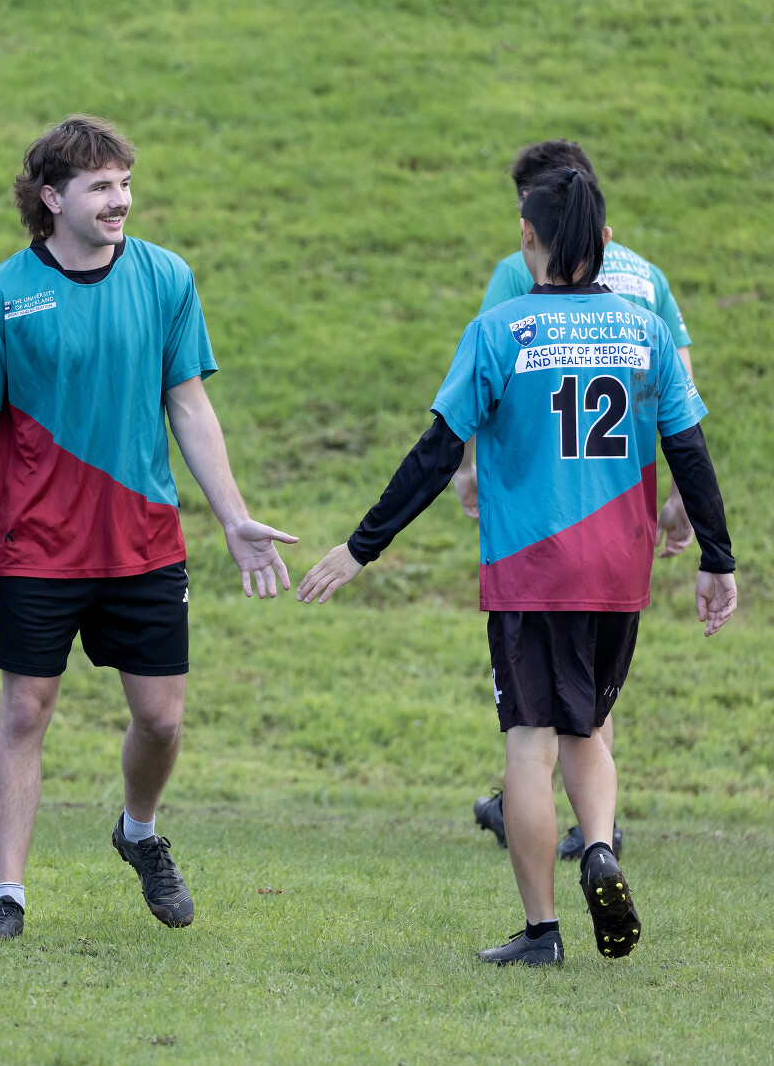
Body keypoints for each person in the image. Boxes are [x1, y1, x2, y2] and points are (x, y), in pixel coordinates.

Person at [297, 167, 736, 966]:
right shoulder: (646, 331)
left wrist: (361, 546)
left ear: (527, 236)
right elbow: (690, 449)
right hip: (620, 571)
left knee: (530, 740)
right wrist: (717, 555)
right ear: (605, 239)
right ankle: (598, 846)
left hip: (534, 569)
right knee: (587, 725)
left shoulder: (501, 331)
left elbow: (437, 453)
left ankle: (542, 931)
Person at [0, 116, 295, 942]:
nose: (119, 199)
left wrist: (234, 516)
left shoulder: (167, 277)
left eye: (125, 183)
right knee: (25, 711)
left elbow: (189, 405)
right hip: (35, 546)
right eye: (100, 185)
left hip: (143, 541)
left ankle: (138, 831)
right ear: (51, 197)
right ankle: (8, 895)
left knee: (162, 718)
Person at [464, 140, 699, 859]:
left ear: (535, 220)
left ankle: (537, 849)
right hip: (620, 524)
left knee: (531, 721)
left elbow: (483, 381)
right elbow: (681, 390)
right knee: (591, 698)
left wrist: (469, 471)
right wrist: (685, 501)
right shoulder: (647, 277)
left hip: (539, 528)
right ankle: (600, 828)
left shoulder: (521, 271)